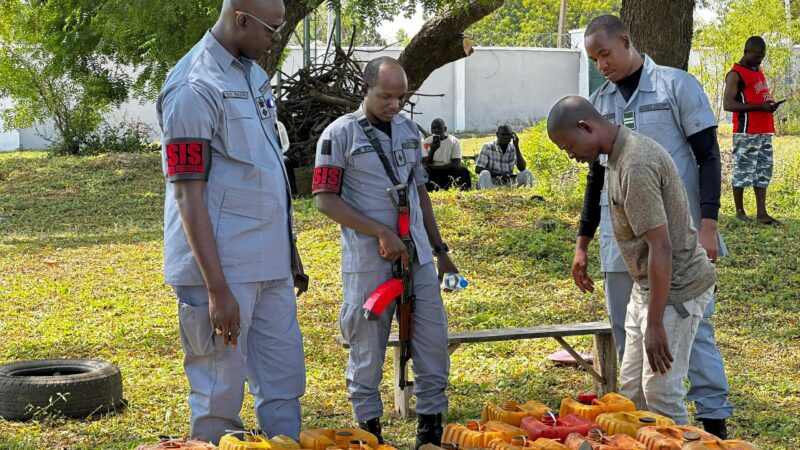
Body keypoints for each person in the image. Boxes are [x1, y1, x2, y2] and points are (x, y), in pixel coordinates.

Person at [572, 15, 732, 438]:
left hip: (677, 240)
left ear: (625, 41)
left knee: (689, 336)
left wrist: (709, 225)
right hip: (621, 242)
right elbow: (594, 175)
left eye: (605, 54)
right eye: (594, 58)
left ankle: (714, 422)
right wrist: (583, 240)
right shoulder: (598, 103)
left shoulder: (676, 86)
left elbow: (708, 156)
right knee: (636, 346)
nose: (601, 65)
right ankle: (641, 435)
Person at [156, 0, 305, 444]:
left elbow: (264, 172)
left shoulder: (252, 74)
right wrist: (217, 291)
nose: (276, 39)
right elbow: (187, 193)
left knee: (283, 385)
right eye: (272, 29)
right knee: (219, 396)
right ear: (241, 18)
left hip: (271, 266)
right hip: (221, 275)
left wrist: (289, 254)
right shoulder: (193, 86)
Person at [313, 56, 456, 449]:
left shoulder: (410, 132)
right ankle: (368, 435)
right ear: (365, 90)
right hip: (369, 263)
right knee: (367, 350)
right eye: (385, 96)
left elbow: (420, 192)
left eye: (400, 97)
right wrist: (378, 230)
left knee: (432, 342)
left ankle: (430, 432)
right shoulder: (338, 135)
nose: (394, 105)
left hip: (419, 259)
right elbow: (325, 200)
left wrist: (440, 250)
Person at [548, 95, 718, 426]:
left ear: (586, 127)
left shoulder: (635, 164)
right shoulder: (613, 156)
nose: (570, 155)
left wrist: (655, 322)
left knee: (662, 394)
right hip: (647, 288)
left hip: (677, 289)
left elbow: (661, 247)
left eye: (569, 146)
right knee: (631, 394)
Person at [723, 36, 782, 224]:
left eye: (762, 57)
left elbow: (757, 95)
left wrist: (769, 105)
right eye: (757, 56)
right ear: (746, 51)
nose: (760, 60)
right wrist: (759, 107)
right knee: (742, 171)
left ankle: (762, 213)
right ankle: (740, 212)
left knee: (763, 171)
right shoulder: (735, 74)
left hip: (764, 130)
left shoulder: (757, 69)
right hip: (747, 132)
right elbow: (728, 104)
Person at [474, 125, 534, 189]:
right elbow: (478, 169)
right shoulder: (488, 147)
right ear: (497, 135)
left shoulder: (513, 148)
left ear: (511, 136)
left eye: (508, 135)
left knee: (528, 173)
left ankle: (529, 196)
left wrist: (516, 146)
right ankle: (487, 195)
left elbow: (522, 168)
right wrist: (499, 175)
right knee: (484, 173)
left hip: (507, 183)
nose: (505, 137)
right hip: (491, 182)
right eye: (502, 134)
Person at [422, 118, 471, 191]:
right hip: (432, 171)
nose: (436, 130)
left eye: (439, 127)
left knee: (463, 170)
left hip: (448, 170)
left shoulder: (454, 141)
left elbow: (456, 163)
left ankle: (463, 188)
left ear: (444, 129)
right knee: (423, 170)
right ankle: (427, 190)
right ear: (431, 130)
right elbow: (425, 163)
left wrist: (438, 167)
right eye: (434, 128)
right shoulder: (426, 142)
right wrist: (432, 150)